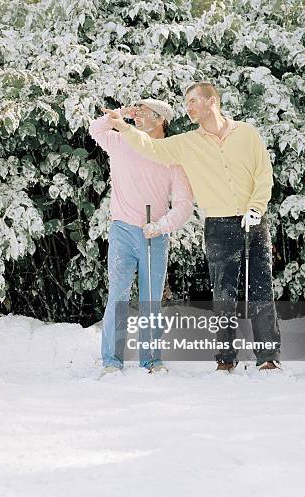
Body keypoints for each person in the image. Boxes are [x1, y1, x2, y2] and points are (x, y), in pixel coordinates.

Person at [103, 82, 281, 372]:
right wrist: (124, 127)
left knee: (260, 289)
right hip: (219, 225)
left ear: (213, 101)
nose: (189, 107)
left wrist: (256, 207)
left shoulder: (246, 134)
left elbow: (263, 173)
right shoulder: (188, 142)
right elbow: (151, 146)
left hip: (253, 220)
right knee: (223, 295)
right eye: (186, 103)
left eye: (194, 101)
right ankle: (225, 359)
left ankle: (268, 358)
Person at [89, 99, 193, 374]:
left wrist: (162, 226)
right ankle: (111, 361)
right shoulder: (121, 142)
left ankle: (151, 359)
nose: (137, 116)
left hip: (154, 234)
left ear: (161, 120)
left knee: (150, 300)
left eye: (143, 112)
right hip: (122, 229)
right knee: (118, 296)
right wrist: (119, 115)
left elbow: (184, 205)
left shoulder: (171, 156)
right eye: (135, 111)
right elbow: (96, 130)